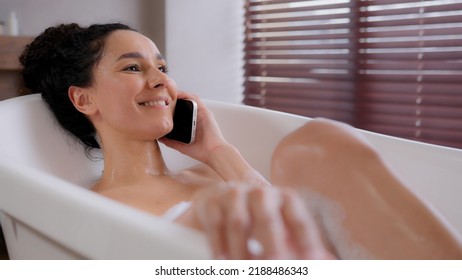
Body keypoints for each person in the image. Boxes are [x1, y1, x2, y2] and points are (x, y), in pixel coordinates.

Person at [19, 23, 462, 260]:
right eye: (133, 68)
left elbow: (301, 235)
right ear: (83, 98)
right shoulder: (95, 209)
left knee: (315, 144)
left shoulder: (206, 170)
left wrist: (217, 151)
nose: (161, 81)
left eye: (163, 66)